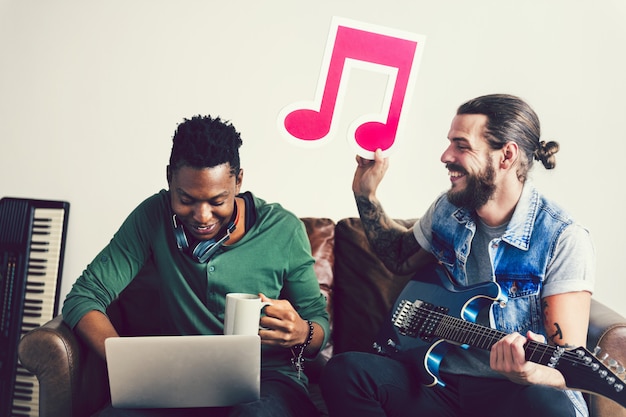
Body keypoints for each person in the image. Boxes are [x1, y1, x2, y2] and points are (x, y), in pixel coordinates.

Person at [320, 94, 595, 417]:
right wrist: (365, 195)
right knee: (346, 371)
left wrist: (528, 372)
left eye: (461, 146)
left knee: (548, 407)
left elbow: (569, 366)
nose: (445, 156)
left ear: (506, 156)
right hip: (439, 384)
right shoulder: (450, 209)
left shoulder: (561, 237)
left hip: (514, 394)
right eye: (449, 143)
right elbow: (399, 258)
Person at [62, 115, 330, 417]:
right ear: (169, 179)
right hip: (179, 380)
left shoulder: (283, 229)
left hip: (267, 380)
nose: (202, 216)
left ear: (238, 181)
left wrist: (302, 332)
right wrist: (124, 363)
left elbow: (319, 324)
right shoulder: (153, 216)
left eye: (217, 201)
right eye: (186, 199)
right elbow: (84, 297)